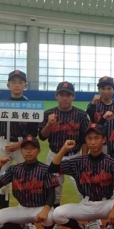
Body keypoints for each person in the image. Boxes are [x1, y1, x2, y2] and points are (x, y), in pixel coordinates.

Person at [50, 124, 114, 229]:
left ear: (104, 140)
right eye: (89, 138)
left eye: (96, 138)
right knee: (57, 214)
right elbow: (52, 168)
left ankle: (110, 226)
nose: (93, 142)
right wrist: (64, 149)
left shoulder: (112, 163)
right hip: (86, 205)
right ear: (86, 140)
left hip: (106, 204)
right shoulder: (78, 162)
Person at [0, 70, 40, 229]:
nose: (17, 85)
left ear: (25, 85)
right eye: (13, 82)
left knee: (28, 180)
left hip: (23, 144)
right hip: (4, 143)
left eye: (20, 82)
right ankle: (5, 223)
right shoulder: (1, 103)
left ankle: (30, 222)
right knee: (3, 181)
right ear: (8, 85)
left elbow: (34, 133)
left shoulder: (29, 106)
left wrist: (19, 144)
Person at [0, 136, 59, 229]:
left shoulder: (46, 170)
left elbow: (52, 194)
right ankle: (20, 227)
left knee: (52, 216)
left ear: (38, 151)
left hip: (40, 208)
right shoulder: (14, 170)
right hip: (22, 208)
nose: (29, 151)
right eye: (25, 148)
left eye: (32, 148)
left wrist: (45, 210)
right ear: (21, 151)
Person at [38, 82, 91, 210]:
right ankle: (55, 216)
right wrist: (49, 124)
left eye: (68, 95)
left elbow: (85, 139)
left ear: (73, 97)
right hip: (54, 155)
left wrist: (84, 158)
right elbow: (42, 136)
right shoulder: (48, 114)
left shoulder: (81, 115)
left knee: (83, 189)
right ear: (56, 96)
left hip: (75, 156)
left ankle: (91, 217)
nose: (65, 98)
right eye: (61, 95)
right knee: (54, 190)